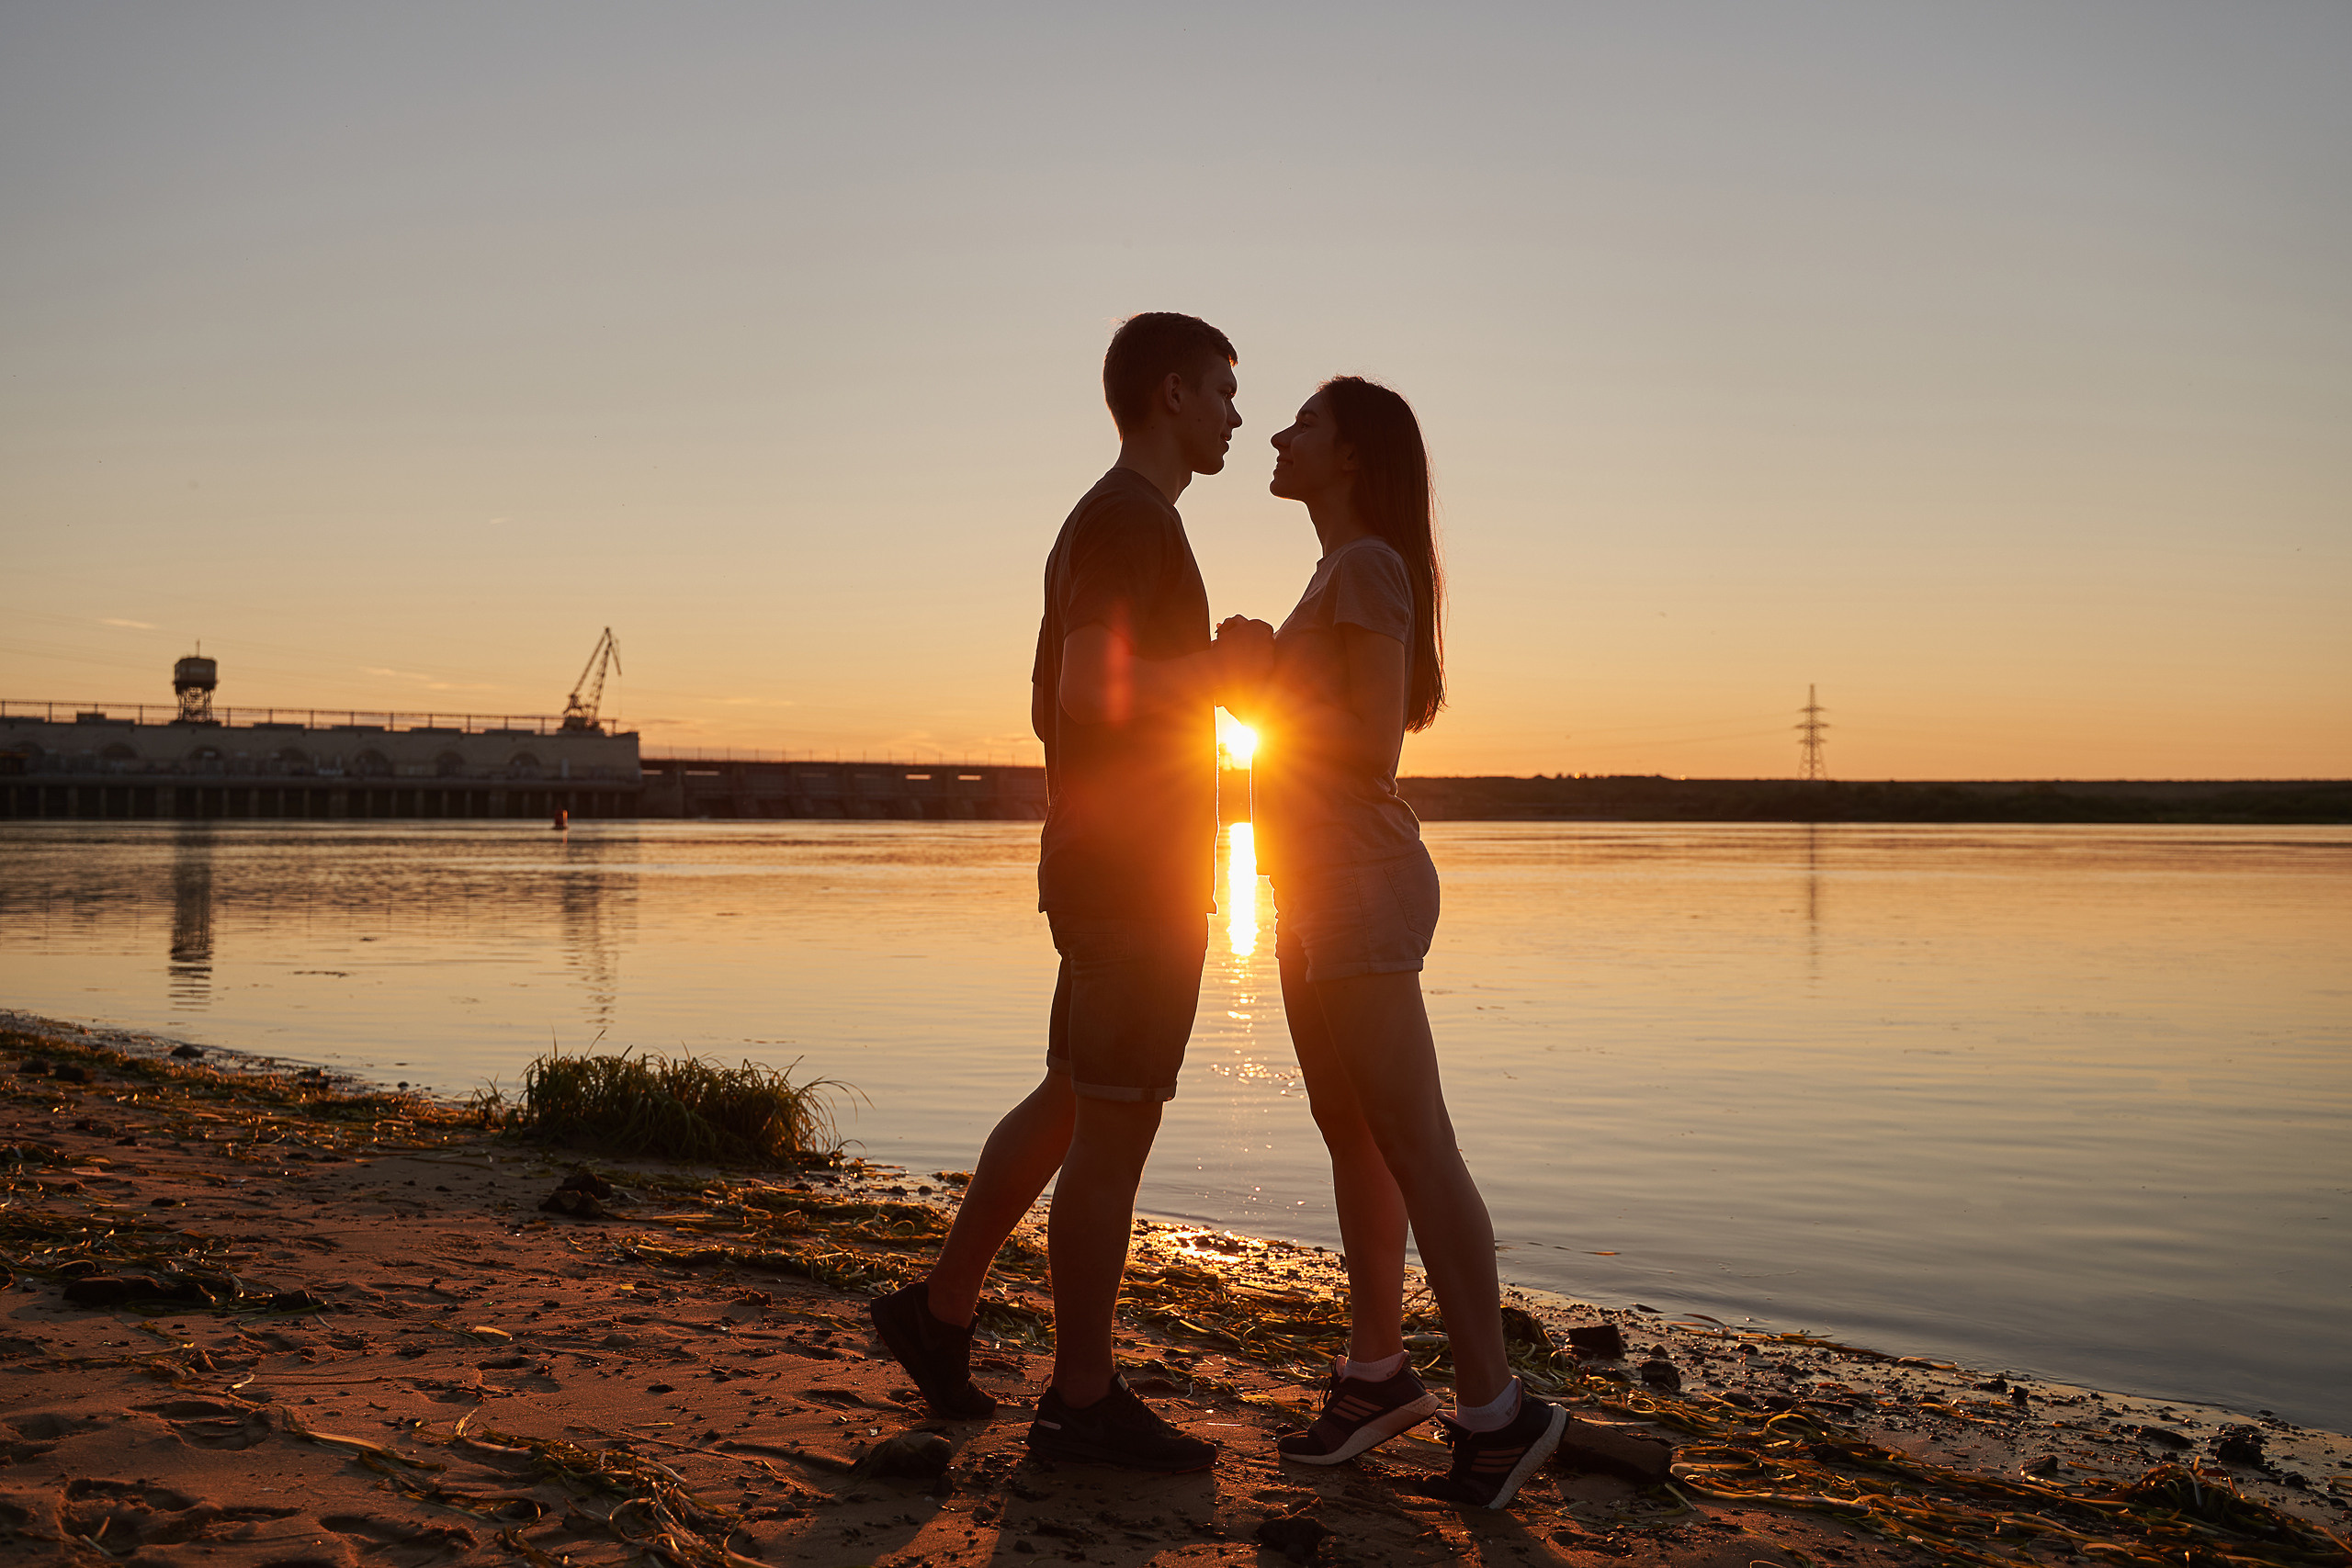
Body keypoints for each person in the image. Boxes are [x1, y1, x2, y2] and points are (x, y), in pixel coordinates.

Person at [868, 312, 1274, 1472]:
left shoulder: (1127, 521)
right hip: (1131, 873)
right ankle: (1081, 1399)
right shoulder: (1126, 518)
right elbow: (1088, 690)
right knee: (1116, 1126)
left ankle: (940, 1314)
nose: (1237, 416)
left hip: (1104, 857)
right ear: (1169, 396)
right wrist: (1224, 672)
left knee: (1068, 1097)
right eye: (1223, 392)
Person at [1233, 376, 1566, 1508]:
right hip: (1310, 881)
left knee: (1415, 1143)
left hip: (1360, 878)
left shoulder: (1367, 567)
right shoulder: (1340, 570)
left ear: (1354, 456)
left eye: (1304, 425)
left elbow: (1364, 743)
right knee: (1355, 1134)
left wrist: (1249, 676)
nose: (1278, 436)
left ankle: (1497, 1408)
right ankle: (1376, 1373)